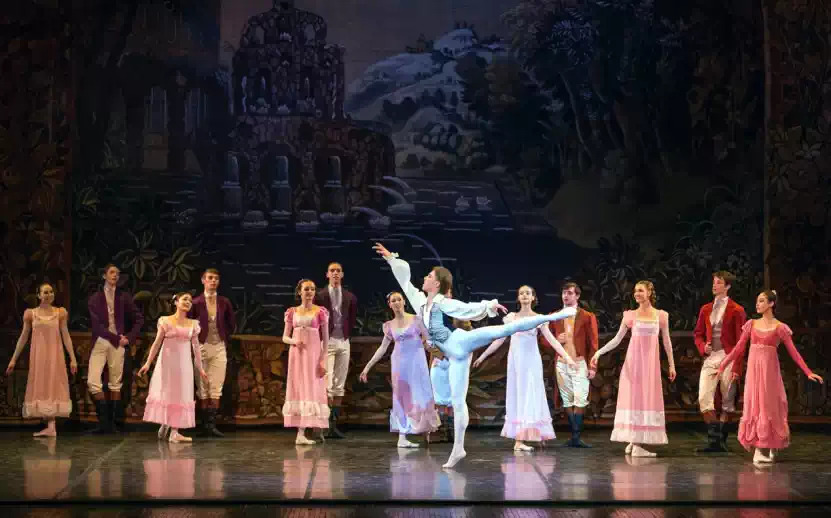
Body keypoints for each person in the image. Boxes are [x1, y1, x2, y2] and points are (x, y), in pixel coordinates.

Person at [372, 243, 576, 469]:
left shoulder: (443, 302)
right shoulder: (420, 302)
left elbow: (467, 309)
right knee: (458, 401)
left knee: (505, 329)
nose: (425, 278)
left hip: (460, 342)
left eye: (429, 276)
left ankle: (557, 315)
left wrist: (489, 306)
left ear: (437, 283)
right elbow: (405, 281)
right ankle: (458, 449)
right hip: (453, 356)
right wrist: (392, 259)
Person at [716, 289, 824, 464]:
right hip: (754, 374)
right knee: (755, 405)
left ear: (771, 303)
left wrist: (808, 372)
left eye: (761, 301)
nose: (757, 304)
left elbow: (794, 352)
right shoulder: (751, 324)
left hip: (769, 375)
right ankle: (759, 449)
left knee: (770, 406)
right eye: (757, 301)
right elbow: (738, 348)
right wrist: (723, 365)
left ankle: (771, 443)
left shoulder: (779, 328)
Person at [473, 285, 576, 451]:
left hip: (531, 362)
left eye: (528, 293)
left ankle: (535, 433)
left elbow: (552, 341)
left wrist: (568, 358)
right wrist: (483, 356)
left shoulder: (539, 319)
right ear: (518, 298)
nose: (524, 295)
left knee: (533, 395)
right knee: (519, 396)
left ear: (533, 297)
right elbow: (499, 339)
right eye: (521, 293)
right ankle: (519, 441)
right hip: (516, 362)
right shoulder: (512, 318)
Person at [591, 281, 677, 457]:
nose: (636, 293)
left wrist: (671, 365)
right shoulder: (630, 316)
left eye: (640, 290)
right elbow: (617, 339)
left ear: (649, 293)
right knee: (634, 399)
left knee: (646, 399)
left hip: (650, 366)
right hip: (634, 365)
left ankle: (634, 441)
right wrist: (598, 353)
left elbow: (667, 341)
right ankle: (636, 444)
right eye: (635, 291)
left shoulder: (661, 316)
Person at [359, 291, 440, 447]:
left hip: (416, 363)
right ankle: (402, 436)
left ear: (404, 302)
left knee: (421, 393)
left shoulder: (416, 320)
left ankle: (425, 429)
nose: (396, 302)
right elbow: (382, 348)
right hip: (399, 364)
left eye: (399, 299)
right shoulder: (389, 325)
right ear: (389, 305)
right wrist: (367, 367)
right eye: (393, 301)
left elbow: (429, 340)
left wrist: (440, 355)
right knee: (401, 396)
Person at [6, 283, 78, 437]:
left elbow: (66, 336)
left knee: (53, 385)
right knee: (42, 385)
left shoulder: (60, 313)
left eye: (51, 291)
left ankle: (51, 427)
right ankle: (51, 427)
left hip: (55, 355)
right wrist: (13, 359)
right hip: (39, 356)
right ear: (38, 295)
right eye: (45, 292)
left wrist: (72, 358)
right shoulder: (31, 314)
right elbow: (23, 337)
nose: (49, 294)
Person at [138, 292, 208, 443]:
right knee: (168, 392)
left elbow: (196, 348)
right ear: (176, 302)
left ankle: (174, 431)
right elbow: (157, 343)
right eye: (185, 299)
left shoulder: (193, 324)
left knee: (181, 394)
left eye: (190, 300)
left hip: (184, 365)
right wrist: (148, 363)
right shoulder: (166, 321)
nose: (188, 302)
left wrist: (200, 368)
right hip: (168, 363)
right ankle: (166, 423)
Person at [693, 271, 747, 453]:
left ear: (727, 286)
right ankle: (715, 440)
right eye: (714, 282)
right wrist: (703, 347)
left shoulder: (737, 310)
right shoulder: (706, 309)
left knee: (727, 400)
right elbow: (698, 334)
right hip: (711, 358)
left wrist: (737, 367)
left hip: (728, 357)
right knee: (704, 398)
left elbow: (741, 342)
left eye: (719, 282)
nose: (714, 285)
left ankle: (719, 440)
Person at [87, 264, 144, 433]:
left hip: (118, 343)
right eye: (112, 272)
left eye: (118, 274)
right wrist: (116, 339)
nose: (115, 276)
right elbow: (97, 326)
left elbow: (139, 319)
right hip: (101, 341)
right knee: (93, 381)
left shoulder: (123, 297)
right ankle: (103, 422)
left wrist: (129, 338)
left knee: (115, 383)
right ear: (104, 275)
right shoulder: (95, 298)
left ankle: (113, 424)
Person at [549, 282, 599, 448]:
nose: (566, 296)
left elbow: (593, 343)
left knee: (580, 399)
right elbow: (544, 340)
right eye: (564, 293)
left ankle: (576, 435)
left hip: (579, 363)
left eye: (570, 293)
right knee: (567, 400)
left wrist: (593, 366)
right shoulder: (554, 316)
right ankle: (574, 436)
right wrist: (556, 340)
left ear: (577, 296)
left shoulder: (587, 316)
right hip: (561, 364)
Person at [188, 268, 236, 438]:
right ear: (203, 280)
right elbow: (189, 323)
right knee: (202, 387)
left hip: (218, 346)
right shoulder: (196, 302)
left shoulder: (224, 302)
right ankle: (204, 425)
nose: (213, 281)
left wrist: (223, 336)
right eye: (210, 278)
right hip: (201, 346)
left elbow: (231, 323)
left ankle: (212, 425)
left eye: (216, 278)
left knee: (216, 386)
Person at [283, 279, 330, 445]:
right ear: (299, 292)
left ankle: (311, 430)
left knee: (312, 388)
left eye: (312, 289)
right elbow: (285, 337)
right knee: (299, 388)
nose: (309, 292)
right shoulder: (292, 312)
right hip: (297, 355)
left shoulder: (320, 312)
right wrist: (294, 342)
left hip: (313, 355)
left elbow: (326, 340)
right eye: (306, 289)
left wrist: (323, 361)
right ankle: (300, 433)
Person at [314, 262, 358, 439]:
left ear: (342, 274)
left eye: (338, 271)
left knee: (339, 384)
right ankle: (324, 424)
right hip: (327, 341)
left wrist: (346, 334)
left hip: (344, 341)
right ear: (327, 274)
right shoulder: (320, 295)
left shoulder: (350, 297)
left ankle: (333, 425)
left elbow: (352, 319)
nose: (335, 273)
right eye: (332, 271)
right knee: (328, 384)